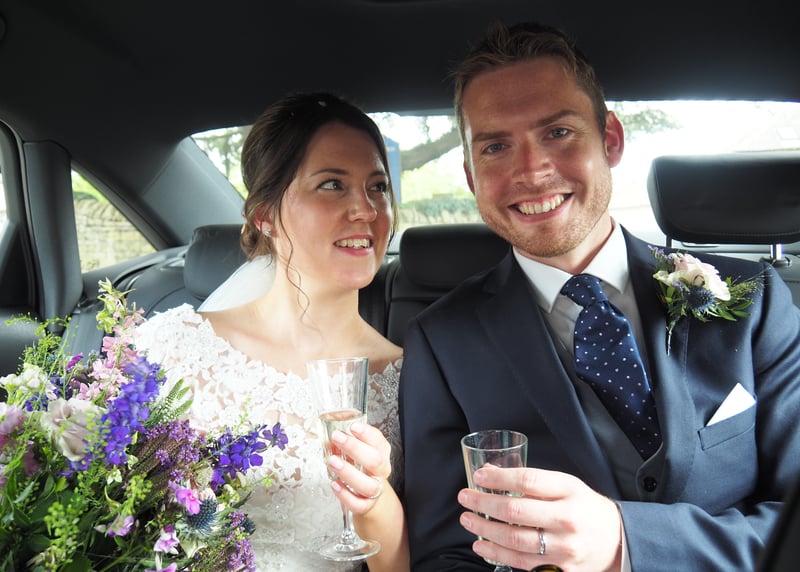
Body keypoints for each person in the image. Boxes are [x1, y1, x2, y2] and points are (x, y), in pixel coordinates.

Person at [398, 21, 800, 572]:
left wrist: (624, 542)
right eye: (495, 146)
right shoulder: (440, 341)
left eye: (558, 132)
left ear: (610, 139)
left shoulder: (754, 302)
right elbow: (445, 555)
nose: (531, 171)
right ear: (471, 176)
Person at [136, 92, 408, 571]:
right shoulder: (172, 346)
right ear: (264, 215)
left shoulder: (408, 379)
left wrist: (376, 499)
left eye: (378, 186)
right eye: (332, 185)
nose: (366, 209)